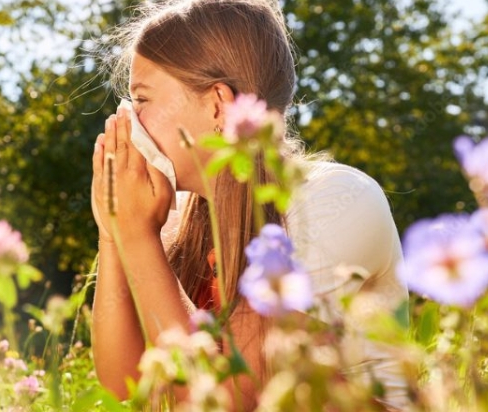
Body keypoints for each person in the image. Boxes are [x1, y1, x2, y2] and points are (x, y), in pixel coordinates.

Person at [89, 0, 409, 410]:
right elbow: (128, 383)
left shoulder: (333, 200)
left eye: (143, 99)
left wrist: (136, 236)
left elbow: (237, 397)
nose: (129, 120)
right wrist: (116, 229)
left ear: (217, 106)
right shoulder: (179, 216)